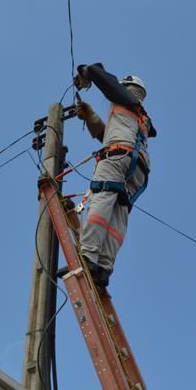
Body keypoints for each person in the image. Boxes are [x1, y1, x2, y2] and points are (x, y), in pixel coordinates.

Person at [71, 63, 157, 287]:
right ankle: (103, 268)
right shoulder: (138, 116)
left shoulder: (124, 98)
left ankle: (89, 257)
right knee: (118, 214)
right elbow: (108, 136)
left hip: (118, 159)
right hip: (138, 170)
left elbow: (103, 78)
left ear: (126, 87)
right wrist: (90, 116)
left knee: (102, 197)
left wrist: (87, 72)